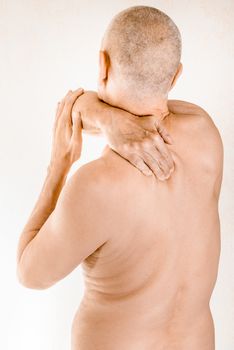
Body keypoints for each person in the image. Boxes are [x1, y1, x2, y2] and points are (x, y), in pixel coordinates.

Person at [16, 6, 223, 350]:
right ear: (175, 76)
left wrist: (58, 167)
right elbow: (92, 108)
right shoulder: (206, 134)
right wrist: (109, 120)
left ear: (103, 65)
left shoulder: (96, 185)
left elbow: (29, 273)